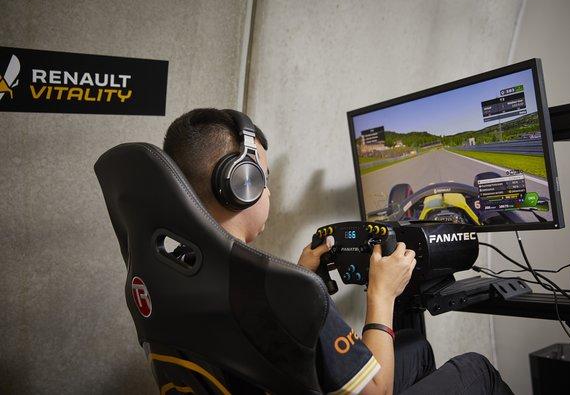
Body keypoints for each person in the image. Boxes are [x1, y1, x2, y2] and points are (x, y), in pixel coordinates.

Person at [163, 108, 514, 395]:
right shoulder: (277, 290)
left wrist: (300, 279)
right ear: (240, 185)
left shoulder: (169, 273)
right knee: (475, 369)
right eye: (263, 180)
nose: (267, 192)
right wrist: (381, 295)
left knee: (415, 347)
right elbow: (376, 391)